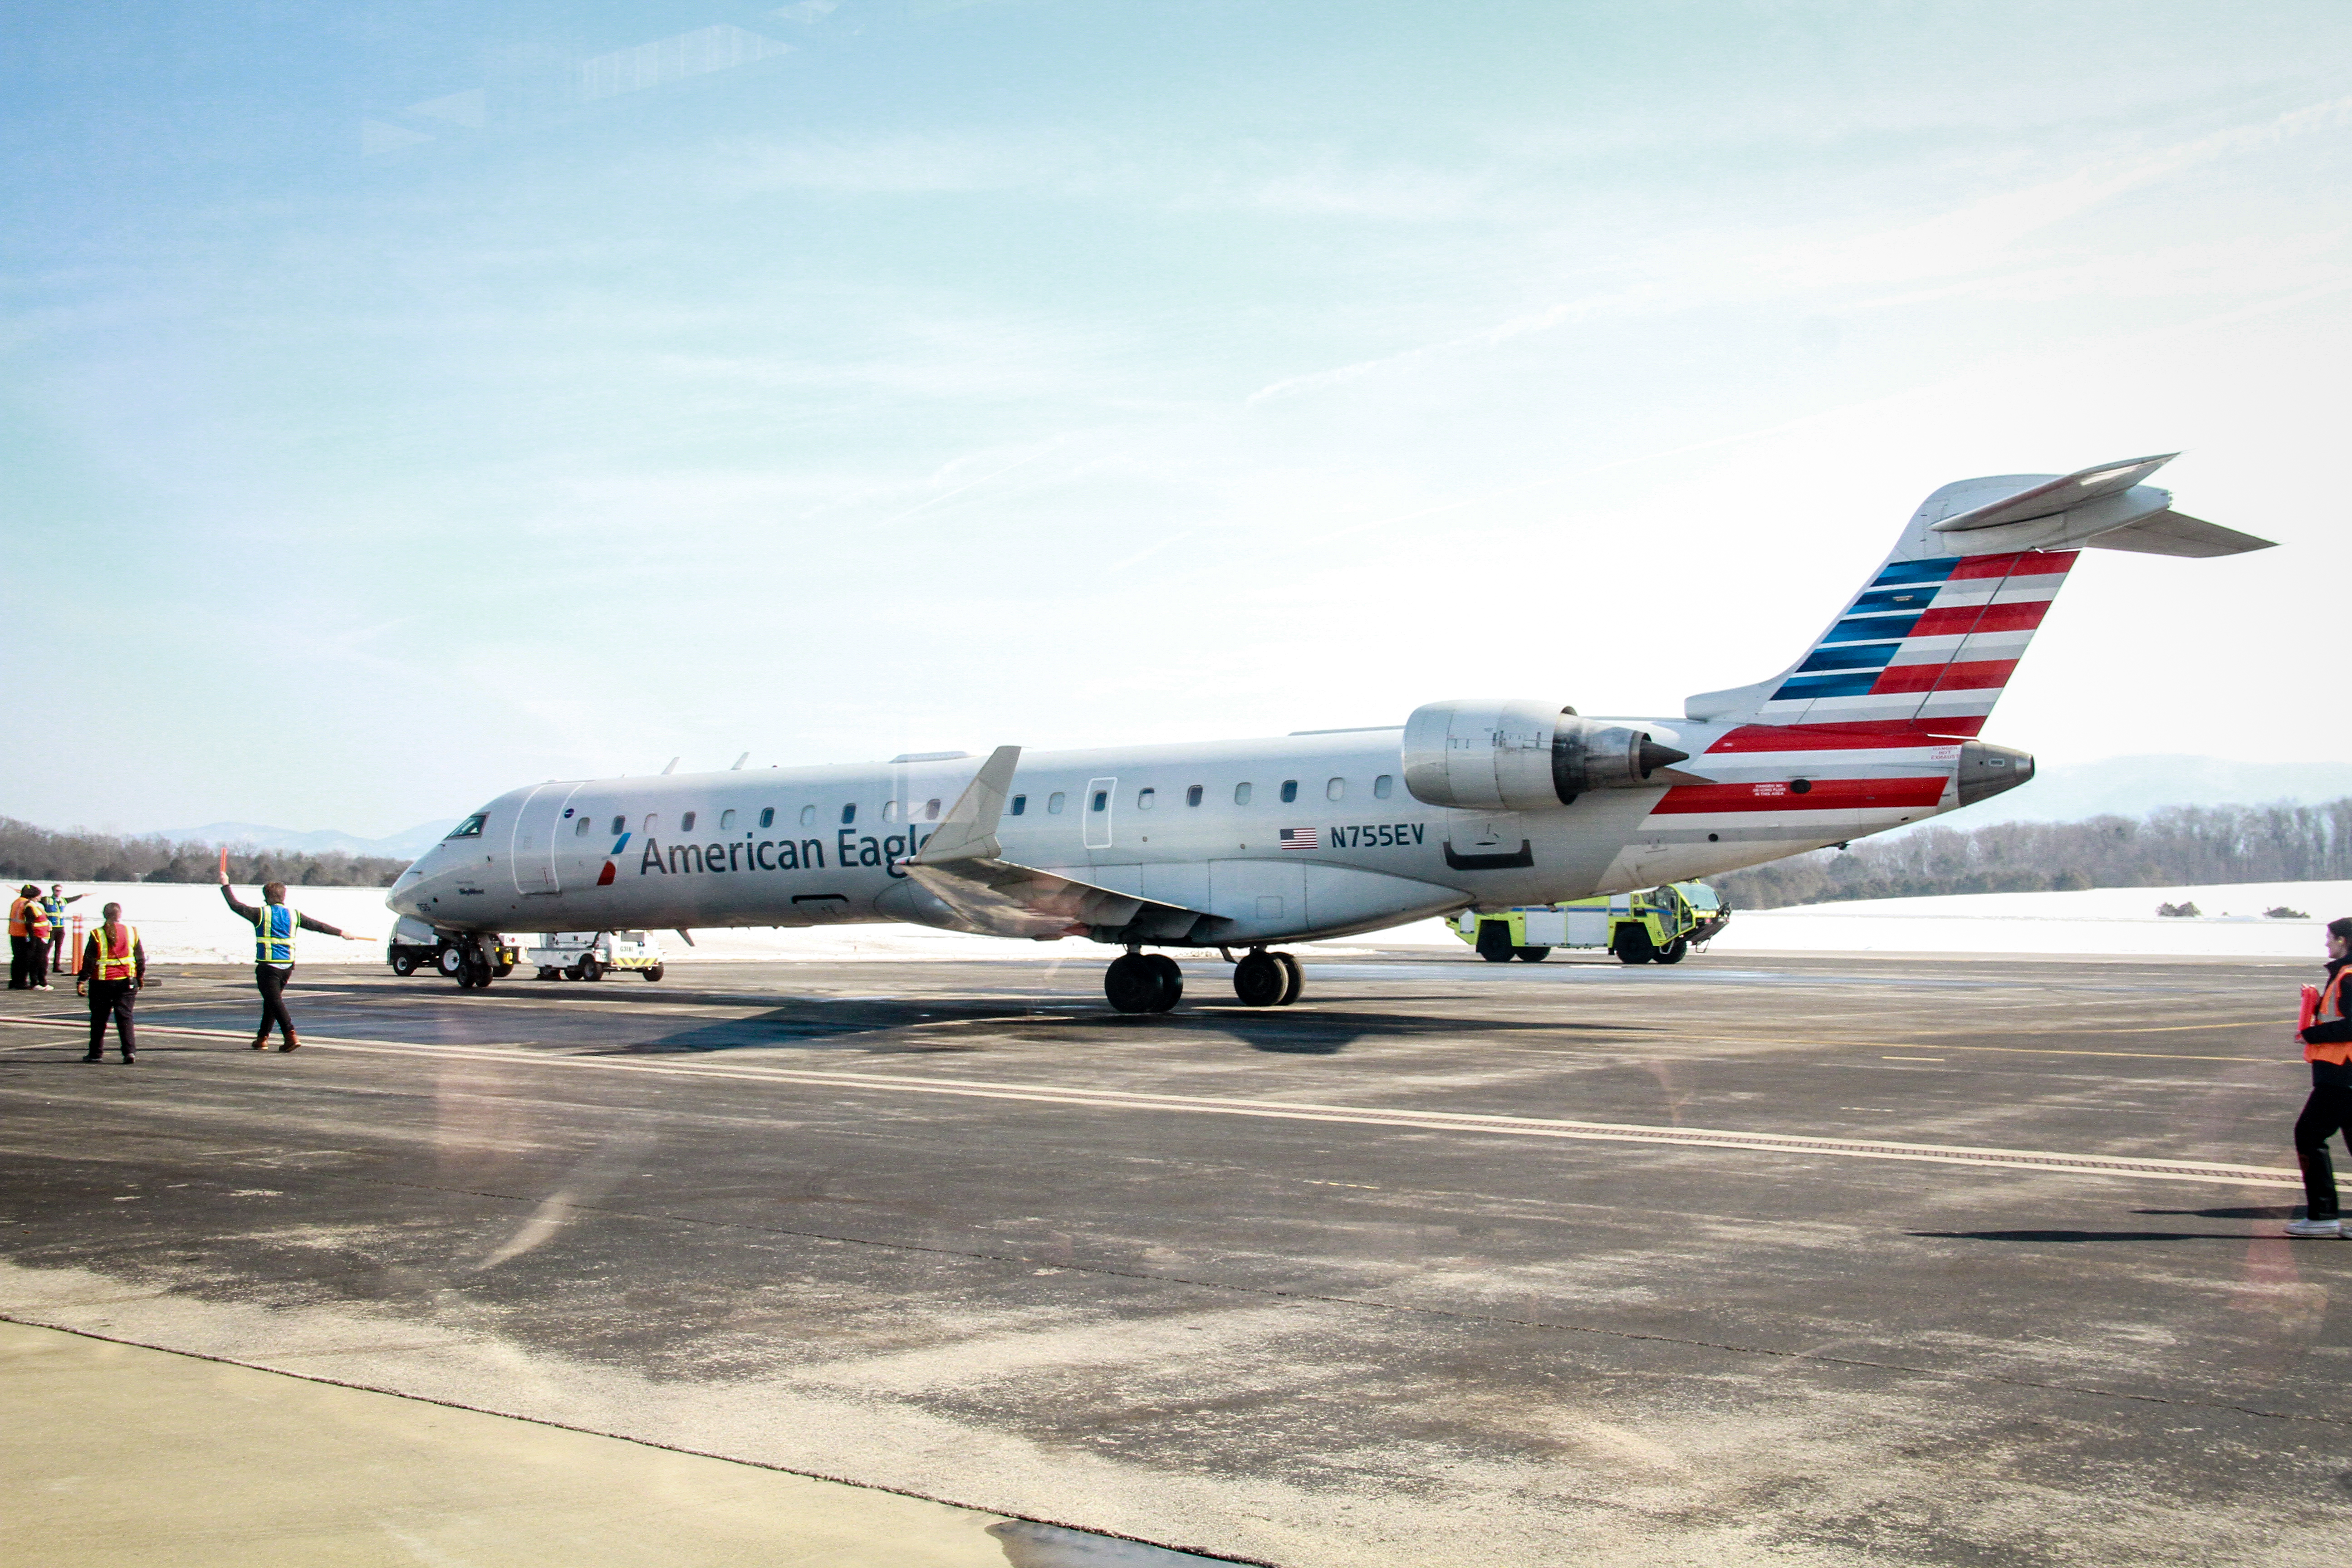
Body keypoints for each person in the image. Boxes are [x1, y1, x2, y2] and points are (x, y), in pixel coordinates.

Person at [218, 874, 350, 1052]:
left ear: (266, 896)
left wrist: (226, 884)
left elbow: (235, 905)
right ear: (283, 896)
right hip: (287, 966)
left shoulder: (260, 914)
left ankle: (290, 1035)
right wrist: (341, 932)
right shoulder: (294, 915)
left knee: (274, 1002)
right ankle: (262, 1038)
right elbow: (317, 926)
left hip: (268, 966)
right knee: (271, 1002)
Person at [2288, 916, 2352, 1237]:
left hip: (2342, 1073)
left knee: (2309, 1136)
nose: (2327, 943)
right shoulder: (2343, 974)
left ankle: (2323, 1214)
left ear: (2343, 940)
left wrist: (2313, 1033)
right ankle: (2323, 1215)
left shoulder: (2349, 976)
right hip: (2342, 1073)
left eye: (2330, 938)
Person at [75, 902, 144, 1063]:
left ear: (104, 914)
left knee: (99, 1019)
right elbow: (140, 958)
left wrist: (82, 980)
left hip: (102, 982)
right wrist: (140, 976)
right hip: (127, 981)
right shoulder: (131, 932)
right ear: (120, 914)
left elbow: (89, 960)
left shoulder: (97, 934)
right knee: (125, 1017)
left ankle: (96, 1053)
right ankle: (129, 1052)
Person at [44, 884, 85, 972]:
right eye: (57, 891)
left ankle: (56, 967)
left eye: (60, 891)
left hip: (61, 927)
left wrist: (82, 895)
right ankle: (43, 966)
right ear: (53, 891)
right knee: (48, 947)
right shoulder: (47, 900)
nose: (58, 893)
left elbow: (73, 899)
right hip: (51, 928)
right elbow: (37, 898)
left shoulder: (63, 900)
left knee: (59, 948)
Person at [20, 891, 52, 990]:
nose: (41, 897)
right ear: (34, 897)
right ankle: (35, 982)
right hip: (37, 936)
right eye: (39, 895)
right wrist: (33, 938)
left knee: (43, 960)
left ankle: (42, 981)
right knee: (37, 960)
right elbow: (30, 923)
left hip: (44, 935)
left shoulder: (38, 906)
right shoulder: (30, 907)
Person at [7, 884, 38, 990]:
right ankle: (21, 982)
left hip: (14, 933)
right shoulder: (27, 904)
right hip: (23, 935)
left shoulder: (17, 902)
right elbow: (30, 922)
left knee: (17, 959)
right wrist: (33, 937)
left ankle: (15, 981)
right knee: (24, 960)